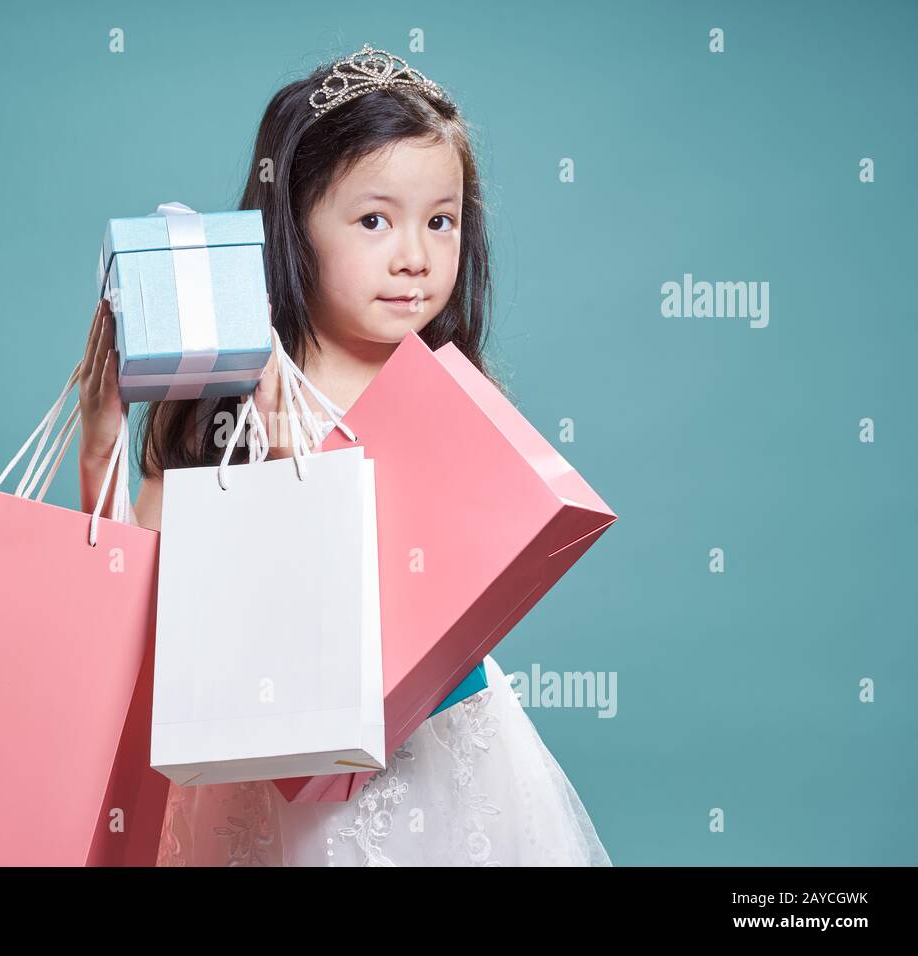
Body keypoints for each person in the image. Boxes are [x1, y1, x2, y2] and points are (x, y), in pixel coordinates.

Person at [76, 43, 611, 866]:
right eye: (374, 220)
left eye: (441, 220)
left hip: (436, 756)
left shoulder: (451, 393)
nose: (415, 257)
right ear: (292, 225)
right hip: (263, 766)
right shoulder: (229, 384)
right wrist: (103, 446)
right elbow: (135, 602)